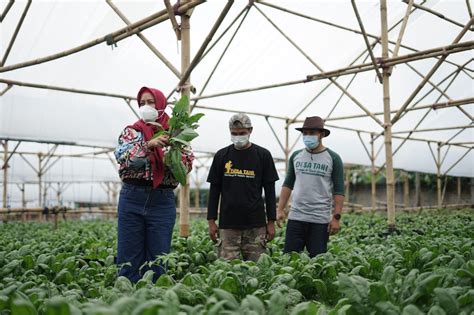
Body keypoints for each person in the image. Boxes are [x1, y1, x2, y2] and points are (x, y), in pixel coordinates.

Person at [114, 87, 194, 283]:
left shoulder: (177, 133)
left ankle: (156, 302)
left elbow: (187, 163)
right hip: (132, 197)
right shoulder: (132, 132)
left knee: (158, 259)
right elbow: (125, 158)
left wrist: (172, 157)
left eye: (150, 102)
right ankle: (128, 302)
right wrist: (149, 145)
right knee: (128, 258)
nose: (146, 107)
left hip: (162, 199)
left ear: (160, 104)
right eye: (142, 103)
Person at [206, 113, 279, 261]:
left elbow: (270, 192)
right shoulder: (221, 156)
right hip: (228, 224)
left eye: (242, 133)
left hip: (255, 224)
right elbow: (214, 191)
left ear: (250, 131)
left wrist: (271, 222)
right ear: (230, 132)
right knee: (227, 271)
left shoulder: (263, 155)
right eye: (234, 133)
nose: (238, 136)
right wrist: (211, 221)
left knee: (257, 270)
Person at [277, 116, 344, 258]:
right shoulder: (296, 156)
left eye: (312, 133)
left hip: (320, 220)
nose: (308, 136)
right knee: (289, 259)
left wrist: (336, 218)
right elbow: (288, 184)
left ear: (321, 134)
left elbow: (339, 190)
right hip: (296, 217)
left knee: (317, 261)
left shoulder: (333, 158)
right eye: (305, 133)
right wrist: (280, 209)